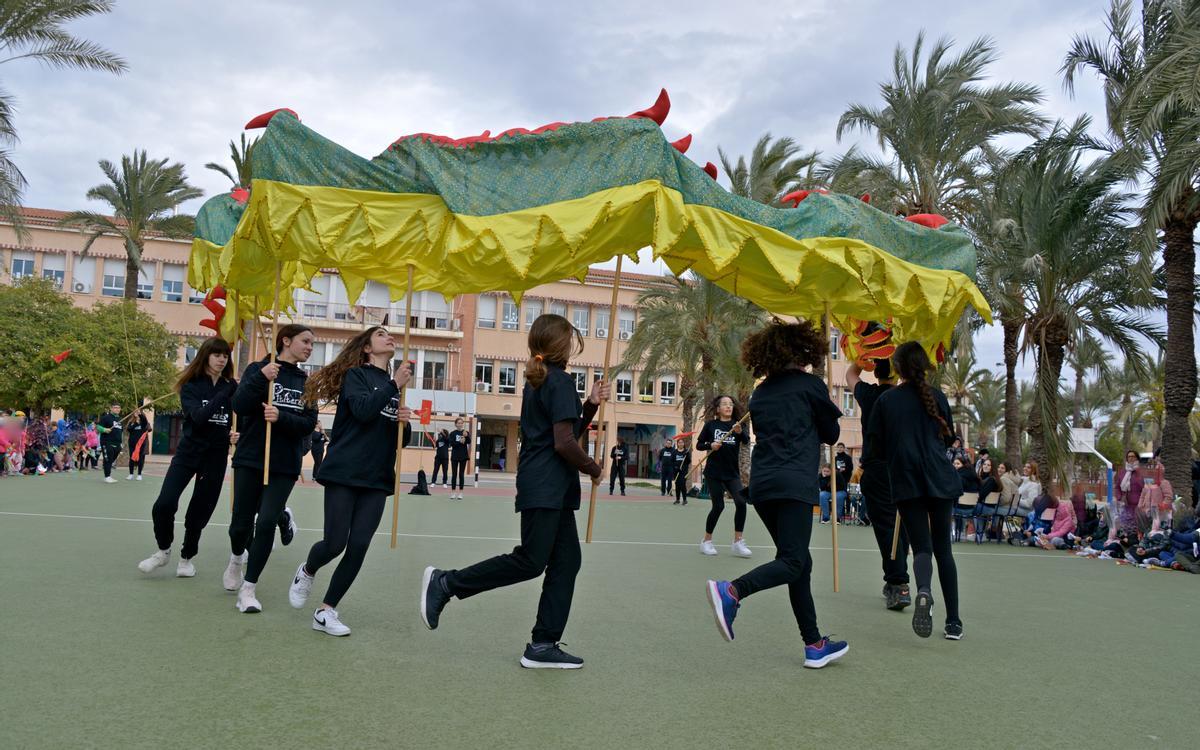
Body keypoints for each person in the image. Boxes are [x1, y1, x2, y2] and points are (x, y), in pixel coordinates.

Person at [419, 313, 608, 669]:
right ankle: (447, 583)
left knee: (567, 562)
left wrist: (592, 404)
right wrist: (594, 468)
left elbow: (565, 430)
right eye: (569, 339)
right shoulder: (561, 381)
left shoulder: (540, 382)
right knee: (531, 561)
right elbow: (565, 442)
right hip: (547, 486)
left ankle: (542, 644)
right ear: (560, 345)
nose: (572, 344)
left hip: (546, 486)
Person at [705, 319, 848, 669]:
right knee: (795, 561)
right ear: (803, 351)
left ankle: (814, 644)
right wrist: (826, 402)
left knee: (798, 562)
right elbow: (830, 434)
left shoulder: (761, 393)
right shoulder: (811, 385)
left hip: (764, 485)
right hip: (794, 482)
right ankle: (733, 591)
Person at [289, 326, 413, 636]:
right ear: (368, 348)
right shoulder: (358, 376)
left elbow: (398, 438)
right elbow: (362, 411)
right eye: (381, 334)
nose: (389, 337)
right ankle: (307, 570)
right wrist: (394, 385)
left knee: (358, 546)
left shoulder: (393, 385)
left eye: (390, 334)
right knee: (335, 543)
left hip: (377, 476)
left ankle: (326, 610)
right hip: (345, 470)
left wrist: (404, 422)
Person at [866, 341, 963, 640]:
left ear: (897, 368)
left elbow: (875, 447)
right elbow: (948, 439)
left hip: (906, 481)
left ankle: (923, 591)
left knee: (921, 547)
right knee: (943, 550)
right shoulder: (937, 397)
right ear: (925, 365)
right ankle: (954, 623)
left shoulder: (886, 401)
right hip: (939, 479)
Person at [228, 324, 319, 613]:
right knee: (239, 526)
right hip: (251, 457)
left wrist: (281, 417)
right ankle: (235, 559)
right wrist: (259, 379)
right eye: (305, 341)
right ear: (286, 340)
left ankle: (249, 588)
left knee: (265, 523)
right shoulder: (259, 368)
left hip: (284, 463)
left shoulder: (308, 383)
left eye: (311, 344)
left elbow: (307, 424)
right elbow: (239, 405)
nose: (309, 347)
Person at [137, 337, 240, 578]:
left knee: (198, 512)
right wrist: (224, 392)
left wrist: (237, 435)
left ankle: (187, 557)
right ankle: (163, 551)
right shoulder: (191, 386)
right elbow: (199, 417)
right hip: (188, 453)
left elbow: (240, 418)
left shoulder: (232, 387)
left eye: (225, 355)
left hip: (215, 457)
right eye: (217, 354)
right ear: (205, 356)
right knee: (164, 504)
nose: (222, 359)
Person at [846, 359, 911, 610]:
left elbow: (851, 373)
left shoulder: (869, 393)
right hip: (903, 468)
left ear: (877, 372)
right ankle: (897, 577)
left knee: (886, 526)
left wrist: (861, 356)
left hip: (878, 468)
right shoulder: (906, 396)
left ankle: (898, 583)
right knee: (901, 524)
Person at [696, 395, 752, 557]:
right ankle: (706, 541)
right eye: (725, 404)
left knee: (741, 502)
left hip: (732, 473)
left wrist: (740, 432)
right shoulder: (711, 425)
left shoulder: (738, 425)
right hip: (714, 472)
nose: (728, 407)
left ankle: (738, 542)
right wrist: (710, 445)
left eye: (731, 404)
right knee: (718, 506)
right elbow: (699, 445)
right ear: (718, 408)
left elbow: (746, 441)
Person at [1115, 450, 1143, 532]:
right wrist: (1119, 497)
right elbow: (1117, 487)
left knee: (1136, 528)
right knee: (1124, 527)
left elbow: (1145, 488)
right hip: (1125, 504)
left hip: (1138, 506)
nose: (1130, 458)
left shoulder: (1141, 472)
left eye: (1133, 456)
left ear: (1137, 458)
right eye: (1129, 456)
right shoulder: (1123, 472)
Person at [97, 402, 123, 483]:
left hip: (117, 443)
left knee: (111, 459)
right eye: (115, 407)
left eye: (118, 408)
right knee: (108, 459)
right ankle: (107, 476)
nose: (117, 409)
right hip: (107, 442)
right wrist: (105, 430)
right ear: (111, 408)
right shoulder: (106, 418)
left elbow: (120, 431)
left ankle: (106, 467)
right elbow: (98, 427)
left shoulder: (120, 419)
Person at [126, 407, 152, 480]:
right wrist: (135, 423)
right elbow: (129, 429)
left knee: (140, 458)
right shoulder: (131, 422)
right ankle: (131, 474)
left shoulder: (143, 423)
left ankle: (139, 474)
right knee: (132, 458)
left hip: (141, 444)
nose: (136, 414)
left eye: (137, 412)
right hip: (132, 443)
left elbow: (145, 421)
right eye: (135, 413)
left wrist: (140, 415)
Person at [449, 417, 470, 500]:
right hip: (454, 456)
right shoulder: (452, 433)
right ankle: (453, 492)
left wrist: (466, 436)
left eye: (461, 423)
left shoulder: (465, 432)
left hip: (463, 456)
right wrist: (459, 442)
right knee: (454, 474)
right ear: (455, 424)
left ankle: (461, 492)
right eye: (458, 423)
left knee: (461, 475)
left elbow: (469, 441)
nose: (460, 424)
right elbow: (452, 444)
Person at [673, 437, 691, 505]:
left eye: (682, 442)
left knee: (683, 484)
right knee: (677, 485)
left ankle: (684, 499)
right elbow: (672, 461)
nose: (681, 444)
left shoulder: (686, 451)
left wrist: (687, 456)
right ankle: (677, 499)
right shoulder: (675, 452)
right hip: (676, 471)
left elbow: (688, 461)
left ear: (684, 444)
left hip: (683, 471)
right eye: (679, 442)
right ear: (677, 444)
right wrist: (676, 467)